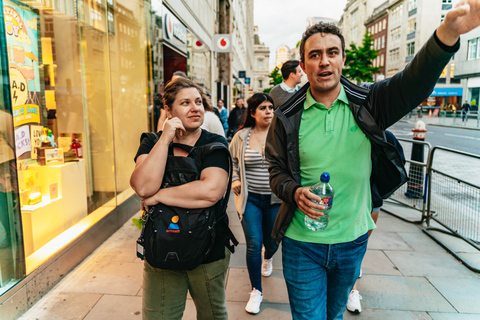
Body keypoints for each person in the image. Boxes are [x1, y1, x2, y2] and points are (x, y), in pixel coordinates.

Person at [266, 2, 480, 318]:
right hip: (302, 244)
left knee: (335, 315)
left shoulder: (369, 102)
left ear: (343, 59)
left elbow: (412, 84)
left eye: (332, 52)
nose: (324, 61)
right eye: (315, 55)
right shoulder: (285, 115)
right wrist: (294, 192)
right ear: (304, 64)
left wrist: (447, 33)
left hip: (352, 241)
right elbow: (275, 169)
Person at [130, 77, 231, 320]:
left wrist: (160, 195)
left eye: (198, 102)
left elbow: (211, 191)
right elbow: (143, 186)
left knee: (213, 315)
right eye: (185, 103)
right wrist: (165, 138)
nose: (195, 107)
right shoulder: (152, 142)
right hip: (161, 247)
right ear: (168, 110)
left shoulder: (213, 143)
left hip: (208, 247)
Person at [229, 93, 281, 315]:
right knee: (253, 243)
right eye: (263, 108)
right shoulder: (241, 136)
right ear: (252, 113)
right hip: (250, 199)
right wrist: (235, 179)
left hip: (275, 200)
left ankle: (268, 257)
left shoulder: (280, 135)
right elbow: (230, 160)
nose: (268, 111)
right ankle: (256, 291)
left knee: (272, 241)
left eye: (271, 107)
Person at [347, 130, 405, 314]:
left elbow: (398, 166)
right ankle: (352, 289)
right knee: (351, 241)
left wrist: (381, 190)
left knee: (361, 241)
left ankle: (353, 273)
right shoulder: (348, 131)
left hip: (372, 199)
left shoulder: (385, 136)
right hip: (348, 198)